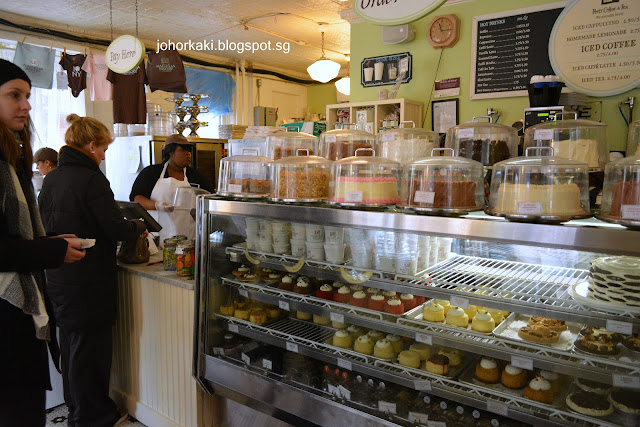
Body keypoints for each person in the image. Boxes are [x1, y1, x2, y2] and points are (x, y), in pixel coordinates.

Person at [38, 114, 147, 427]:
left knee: (72, 346)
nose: (103, 154)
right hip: (89, 280)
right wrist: (137, 225)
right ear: (90, 144)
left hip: (60, 275)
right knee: (91, 352)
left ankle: (76, 410)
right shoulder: (91, 179)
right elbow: (111, 228)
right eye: (102, 148)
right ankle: (92, 417)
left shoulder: (53, 177)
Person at [0, 59, 86, 427]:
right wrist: (50, 250)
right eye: (14, 95)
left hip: (16, 315)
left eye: (28, 96)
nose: (27, 105)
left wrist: (50, 241)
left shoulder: (11, 156)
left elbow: (16, 236)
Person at [129, 133, 213, 241]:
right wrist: (157, 205)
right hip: (157, 238)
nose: (188, 154)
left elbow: (210, 199)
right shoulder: (151, 173)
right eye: (183, 150)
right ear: (170, 152)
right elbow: (136, 199)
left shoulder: (195, 176)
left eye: (189, 150)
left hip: (188, 239)